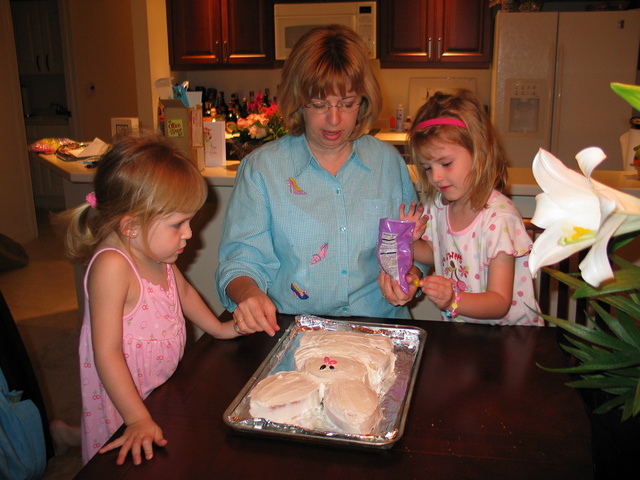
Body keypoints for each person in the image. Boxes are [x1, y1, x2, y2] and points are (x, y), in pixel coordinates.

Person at [55, 132, 245, 466]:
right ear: (130, 226)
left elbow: (183, 292)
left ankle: (71, 434)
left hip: (158, 384)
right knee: (114, 450)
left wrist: (218, 328)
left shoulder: (156, 252)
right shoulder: (113, 267)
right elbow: (107, 352)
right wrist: (136, 418)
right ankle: (75, 437)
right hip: (124, 394)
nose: (189, 233)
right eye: (178, 224)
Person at [215, 24, 420, 335]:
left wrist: (409, 279)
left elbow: (416, 251)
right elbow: (240, 262)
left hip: (379, 328)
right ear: (299, 100)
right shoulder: (263, 170)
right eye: (320, 104)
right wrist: (249, 294)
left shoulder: (388, 164)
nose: (335, 119)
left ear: (363, 100)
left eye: (348, 103)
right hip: (294, 332)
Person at [379, 90, 542, 326]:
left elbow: (500, 302)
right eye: (427, 167)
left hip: (511, 337)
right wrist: (411, 240)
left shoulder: (499, 219)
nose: (436, 176)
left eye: (446, 163)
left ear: (480, 153)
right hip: (465, 332)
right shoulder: (438, 207)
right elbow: (433, 251)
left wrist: (453, 300)